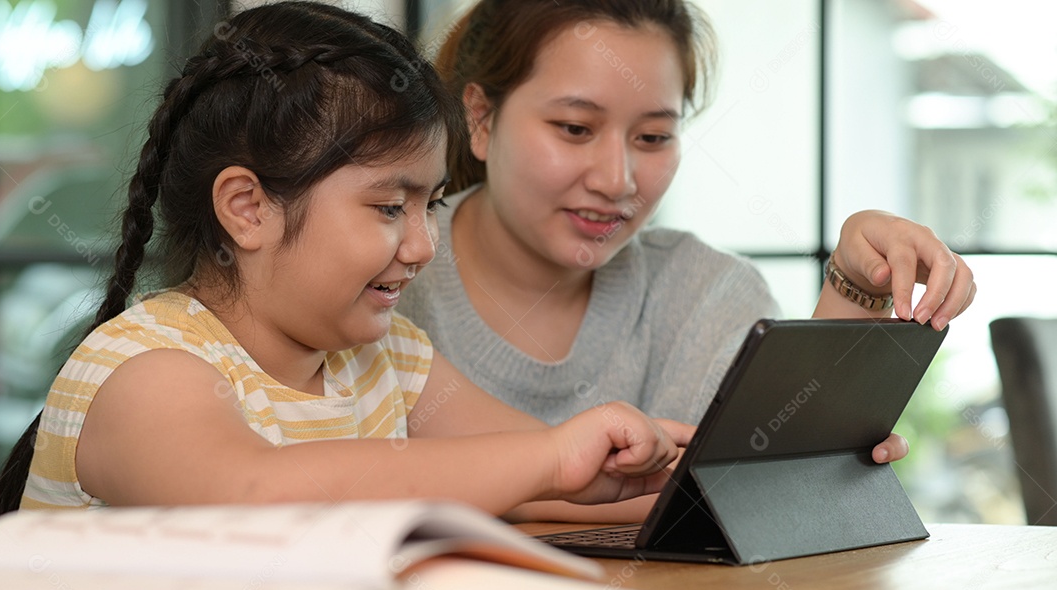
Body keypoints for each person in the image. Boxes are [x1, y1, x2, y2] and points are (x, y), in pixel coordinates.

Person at [0, 1, 690, 519]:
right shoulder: (144, 370)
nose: (422, 245)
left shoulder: (391, 365)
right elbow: (254, 492)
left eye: (430, 204)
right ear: (248, 207)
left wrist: (679, 478)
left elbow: (550, 487)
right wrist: (553, 458)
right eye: (390, 207)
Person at [398, 1, 976, 465]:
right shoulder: (385, 279)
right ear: (480, 118)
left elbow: (764, 478)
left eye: (652, 138)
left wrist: (858, 282)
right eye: (575, 128)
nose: (616, 180)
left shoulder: (707, 293)